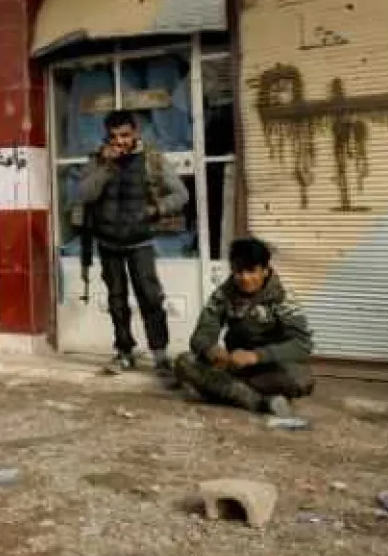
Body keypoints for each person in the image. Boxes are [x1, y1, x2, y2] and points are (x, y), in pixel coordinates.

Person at [74, 109, 189, 375]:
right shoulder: (98, 161)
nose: (120, 141)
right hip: (108, 242)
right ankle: (124, 351)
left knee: (150, 298)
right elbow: (85, 194)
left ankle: (160, 355)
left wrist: (155, 209)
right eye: (114, 136)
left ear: (135, 132)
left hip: (140, 242)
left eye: (125, 135)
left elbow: (181, 194)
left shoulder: (152, 159)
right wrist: (107, 166)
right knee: (117, 300)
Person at [171, 237, 315, 416]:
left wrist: (257, 356)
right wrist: (210, 349)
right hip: (234, 366)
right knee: (184, 362)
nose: (245, 278)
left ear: (265, 270)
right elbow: (201, 334)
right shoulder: (223, 294)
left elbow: (302, 345)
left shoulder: (283, 297)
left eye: (251, 271)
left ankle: (228, 391)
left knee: (301, 378)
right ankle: (262, 401)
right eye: (239, 271)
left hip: (271, 367)